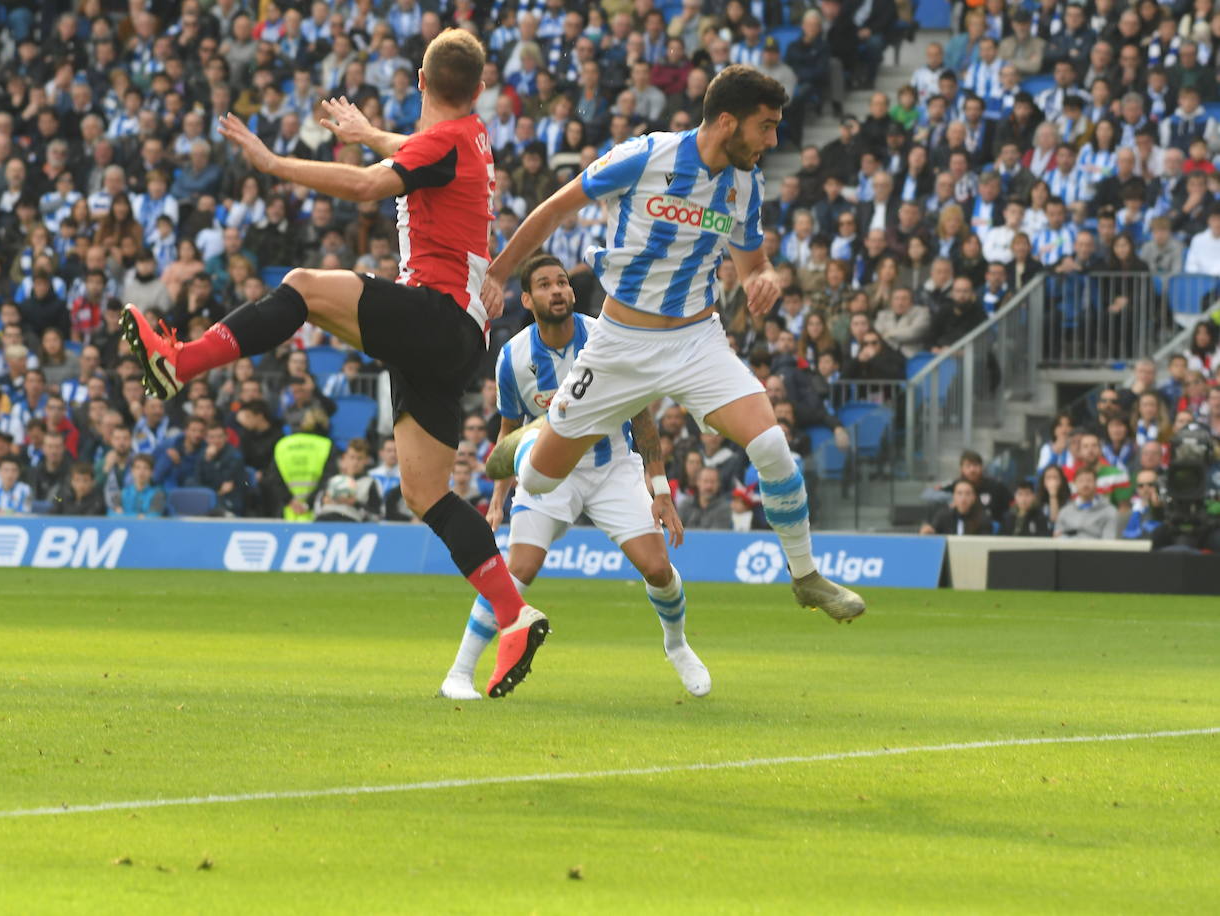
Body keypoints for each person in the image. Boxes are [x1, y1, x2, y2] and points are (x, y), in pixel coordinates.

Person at [120, 30, 545, 698]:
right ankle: (515, 617)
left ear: (418, 78)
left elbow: (372, 185)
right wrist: (368, 129)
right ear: (481, 86)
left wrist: (273, 164)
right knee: (426, 493)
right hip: (459, 336)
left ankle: (181, 360)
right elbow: (409, 155)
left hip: (436, 316)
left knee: (304, 286)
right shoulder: (470, 137)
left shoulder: (442, 142)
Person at [478, 66, 865, 624]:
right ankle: (532, 436)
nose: (773, 141)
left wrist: (765, 278)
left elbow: (753, 260)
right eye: (766, 127)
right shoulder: (643, 156)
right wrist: (497, 274)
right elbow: (554, 211)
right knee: (538, 478)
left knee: (772, 445)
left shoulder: (745, 183)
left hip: (695, 342)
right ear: (727, 121)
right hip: (618, 344)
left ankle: (805, 576)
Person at [439, 255, 706, 701]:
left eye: (562, 282)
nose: (557, 290)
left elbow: (641, 416)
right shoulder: (513, 358)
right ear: (527, 299)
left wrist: (658, 489)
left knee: (658, 569)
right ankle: (458, 673)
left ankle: (676, 646)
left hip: (612, 467)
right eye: (544, 285)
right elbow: (508, 433)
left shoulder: (604, 339)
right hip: (549, 476)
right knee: (518, 570)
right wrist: (498, 499)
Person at [1055, 466, 1117, 539]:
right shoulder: (1065, 511)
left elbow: (1109, 541)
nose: (1085, 484)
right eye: (1081, 481)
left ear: (1096, 483)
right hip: (1068, 549)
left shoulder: (1110, 511)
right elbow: (1057, 538)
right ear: (1075, 484)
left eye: (1089, 480)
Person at [920, 478, 993, 535]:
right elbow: (933, 536)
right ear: (954, 496)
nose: (963, 498)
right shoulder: (943, 516)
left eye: (968, 494)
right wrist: (928, 532)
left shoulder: (983, 519)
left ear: (973, 497)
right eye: (959, 493)